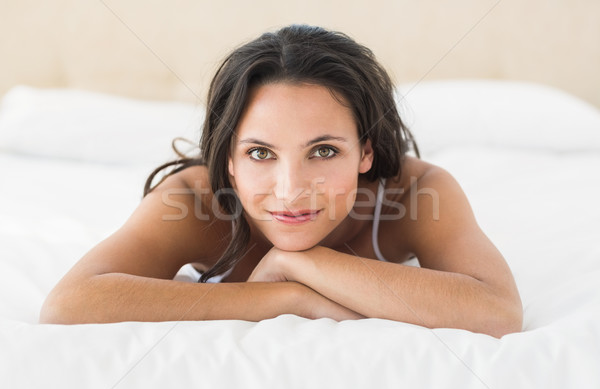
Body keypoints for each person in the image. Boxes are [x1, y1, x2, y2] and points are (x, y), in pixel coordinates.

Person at [39, 24, 522, 337]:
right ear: (227, 158)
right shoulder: (194, 199)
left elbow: (497, 311)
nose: (291, 190)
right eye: (259, 153)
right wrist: (286, 297)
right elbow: (69, 304)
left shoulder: (418, 192)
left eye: (324, 150)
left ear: (366, 150)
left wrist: (306, 262)